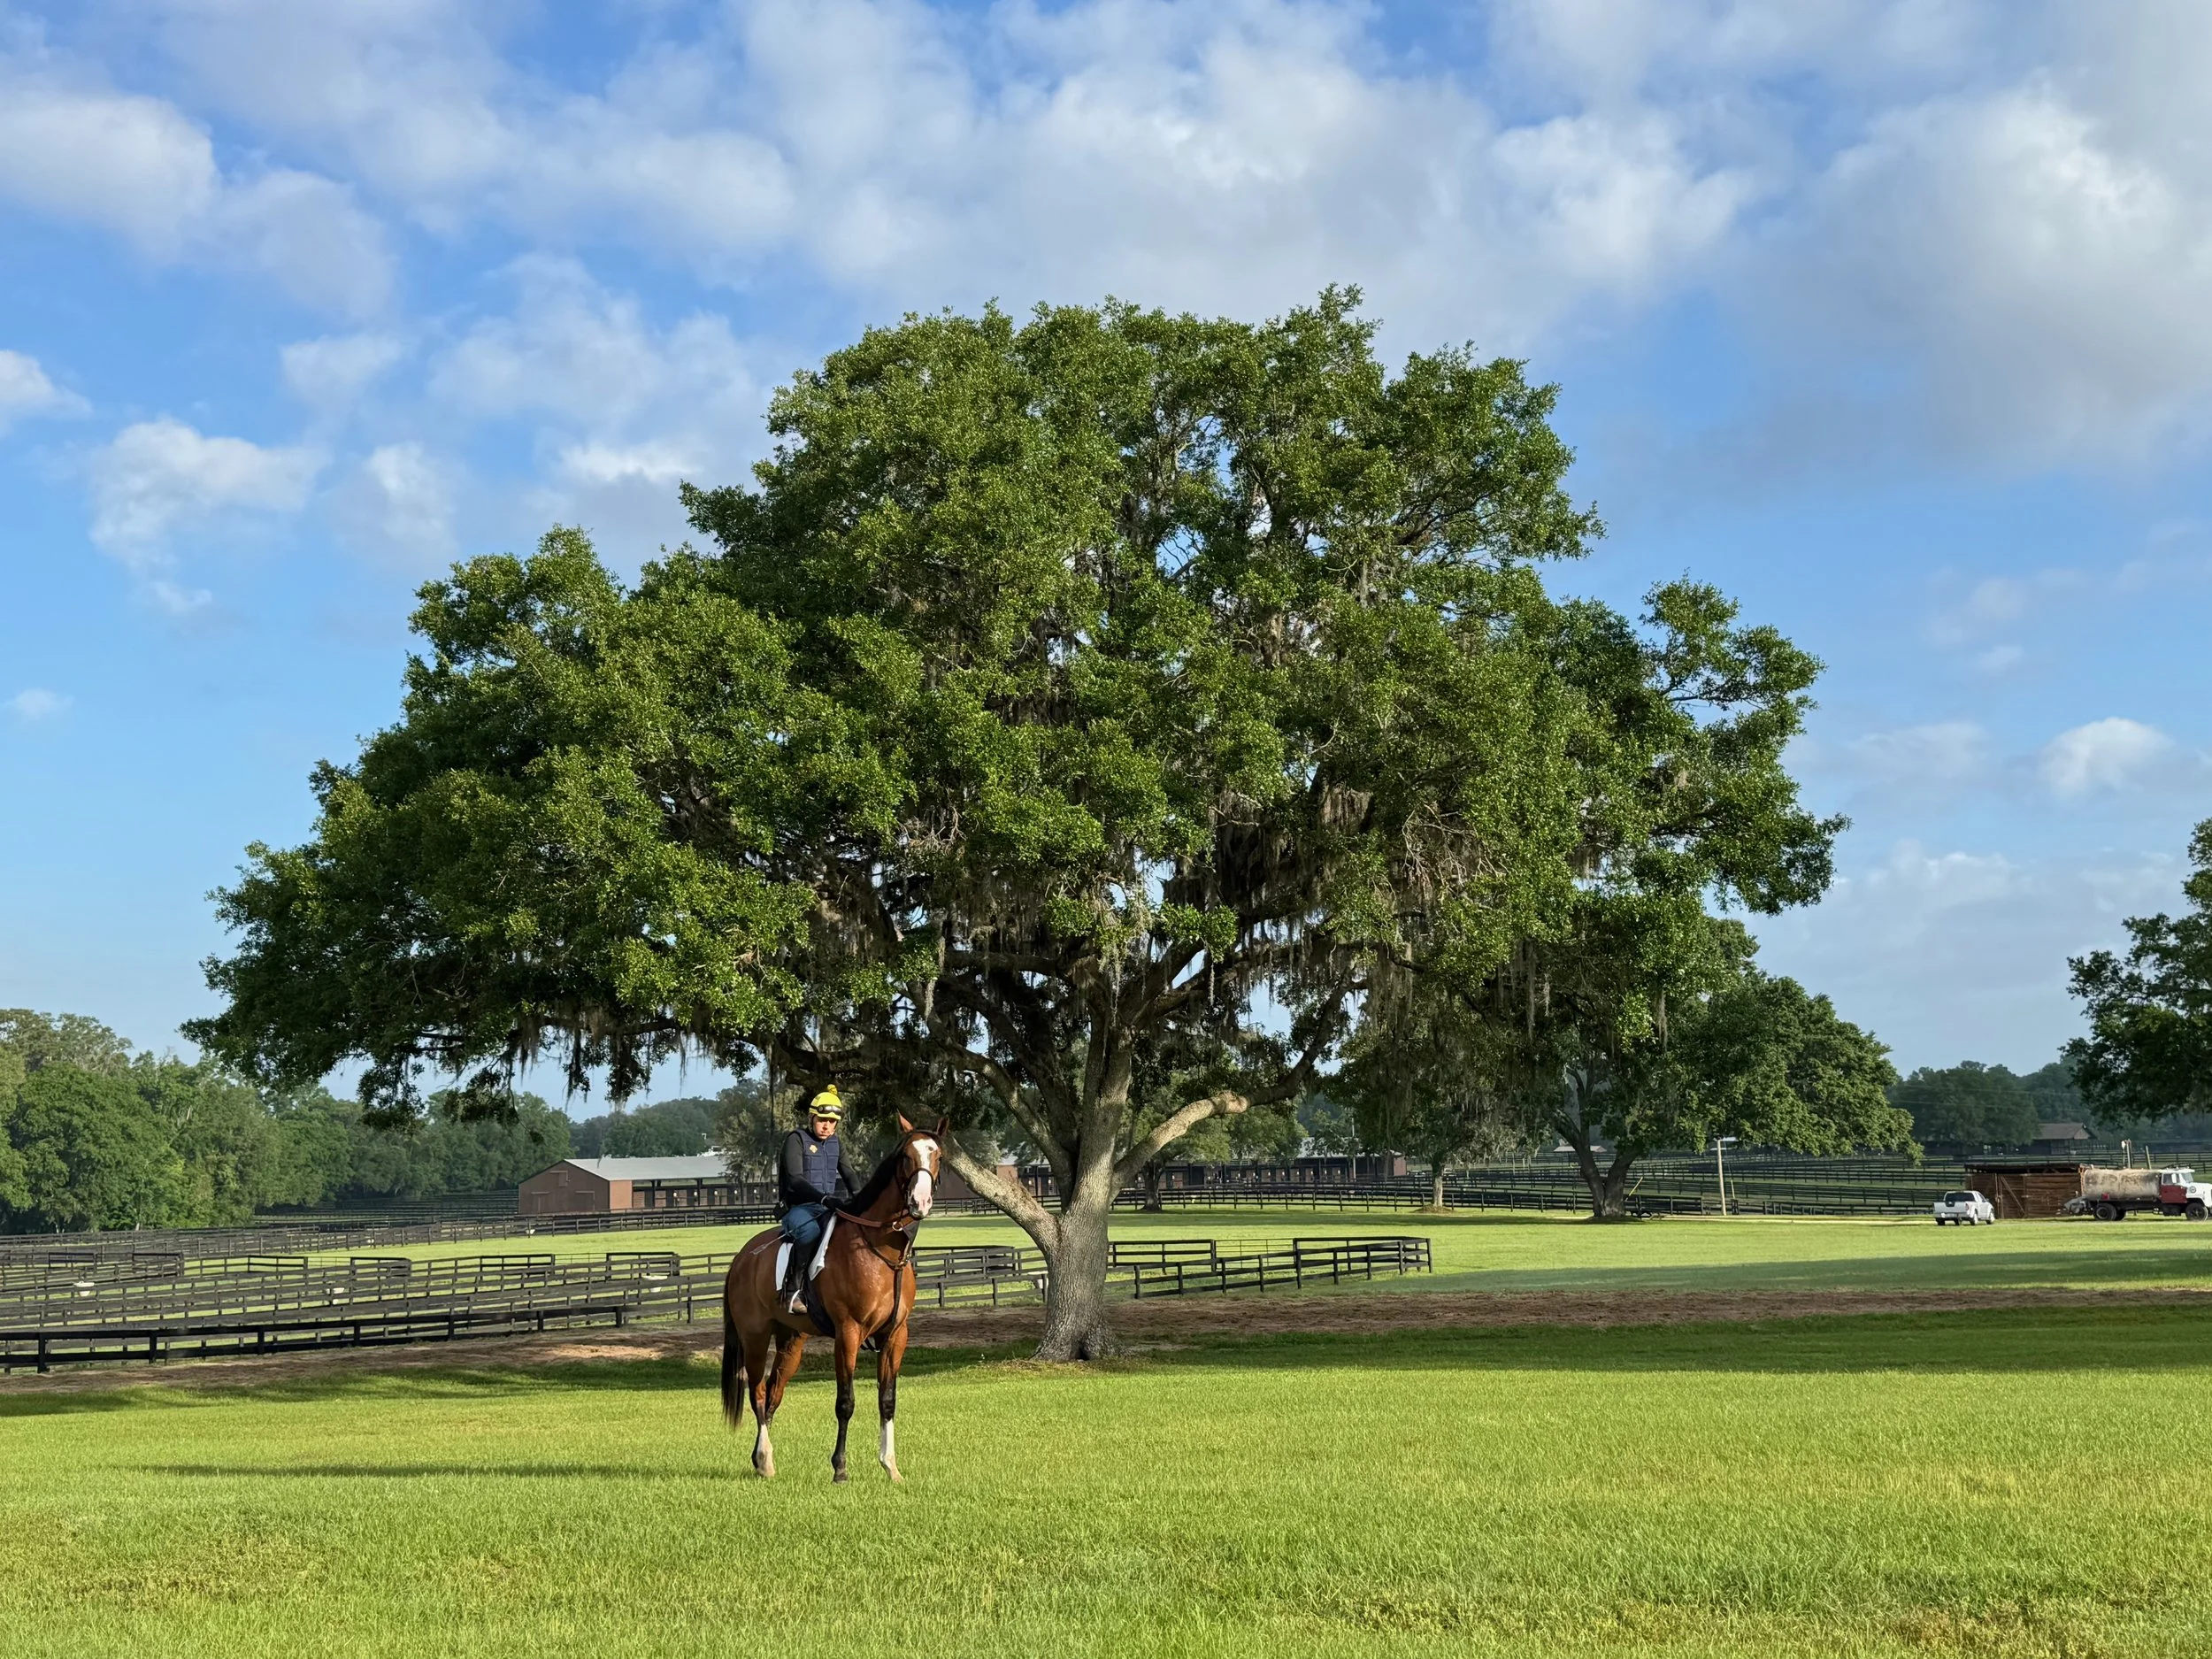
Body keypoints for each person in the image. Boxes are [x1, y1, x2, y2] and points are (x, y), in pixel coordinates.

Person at [776, 1085, 864, 1312]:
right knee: (810, 1233)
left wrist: (862, 1198)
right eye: (822, 1119)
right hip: (799, 1209)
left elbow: (850, 1174)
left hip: (826, 1207)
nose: (827, 1125)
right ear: (811, 1117)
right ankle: (792, 1292)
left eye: (832, 1121)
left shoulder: (836, 1144)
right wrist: (824, 1199)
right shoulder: (796, 1139)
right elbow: (795, 1180)